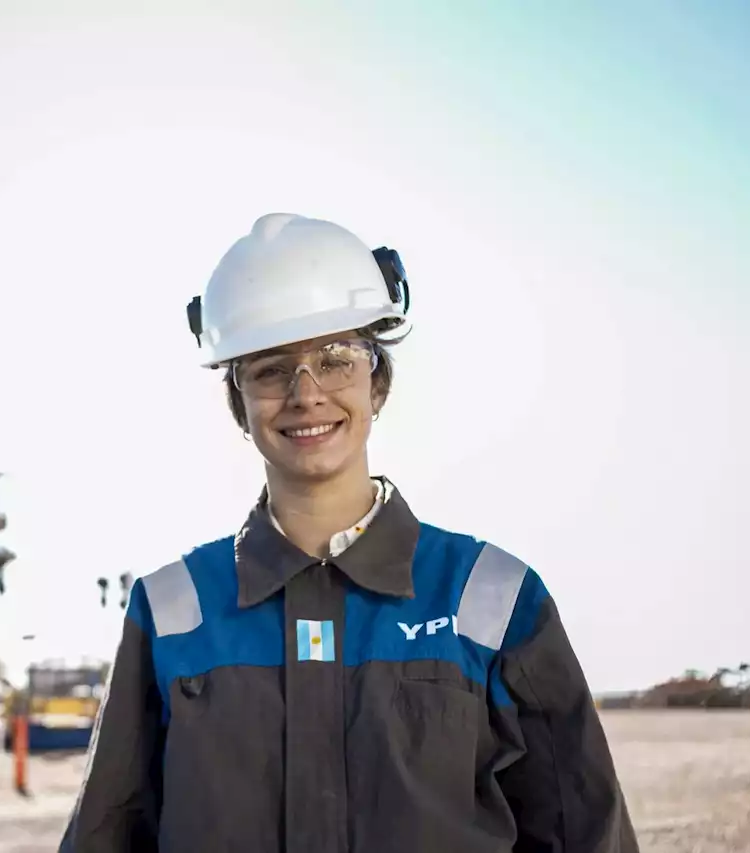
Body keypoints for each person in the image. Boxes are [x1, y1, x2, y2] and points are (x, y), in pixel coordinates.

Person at [58, 213, 638, 852]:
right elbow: (106, 836)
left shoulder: (492, 599)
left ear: (377, 383)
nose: (306, 395)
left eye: (336, 360)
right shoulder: (172, 612)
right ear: (240, 405)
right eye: (271, 370)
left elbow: (584, 833)